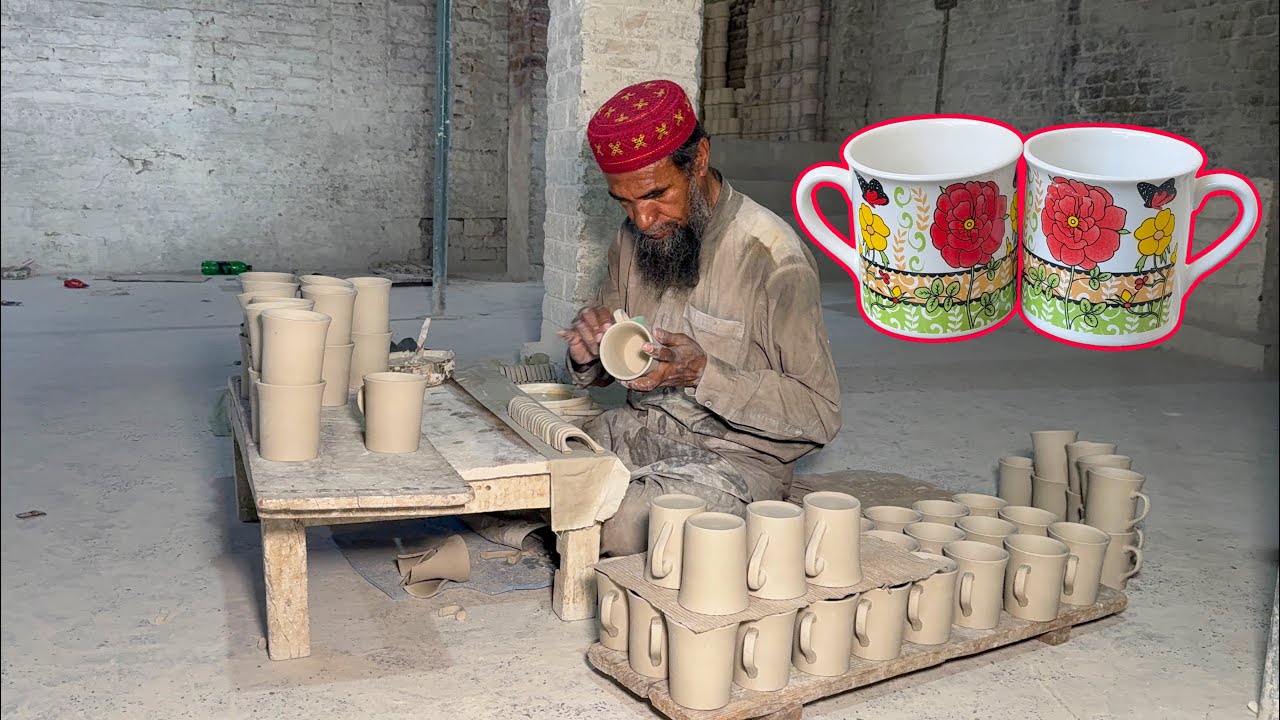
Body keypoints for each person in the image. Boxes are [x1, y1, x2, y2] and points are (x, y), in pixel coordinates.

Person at [559, 79, 842, 557]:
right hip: (644, 433)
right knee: (526, 465)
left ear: (700, 160)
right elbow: (610, 367)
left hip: (733, 459)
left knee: (633, 525)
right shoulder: (630, 238)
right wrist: (588, 353)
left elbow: (821, 414)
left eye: (655, 195)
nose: (642, 219)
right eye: (625, 202)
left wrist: (704, 373)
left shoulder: (773, 257)